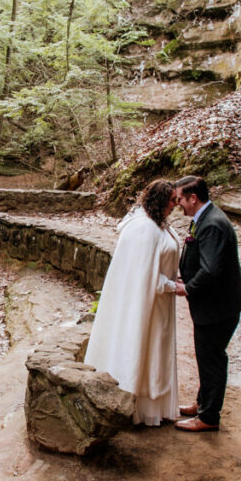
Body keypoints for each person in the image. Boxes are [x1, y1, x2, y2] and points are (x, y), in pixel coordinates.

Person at [84, 179, 181, 426]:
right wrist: (174, 287)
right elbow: (144, 276)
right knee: (143, 348)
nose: (176, 205)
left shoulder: (157, 224)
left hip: (159, 306)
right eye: (172, 200)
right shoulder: (143, 229)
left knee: (156, 349)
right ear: (160, 201)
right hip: (146, 306)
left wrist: (175, 277)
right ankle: (137, 405)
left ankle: (155, 403)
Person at [171, 175, 241, 432]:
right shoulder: (206, 217)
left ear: (193, 198)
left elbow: (211, 270)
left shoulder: (212, 224)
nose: (178, 203)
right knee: (206, 357)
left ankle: (209, 417)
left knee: (212, 359)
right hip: (216, 306)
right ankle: (203, 404)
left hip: (217, 309)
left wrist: (187, 289)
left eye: (180, 198)